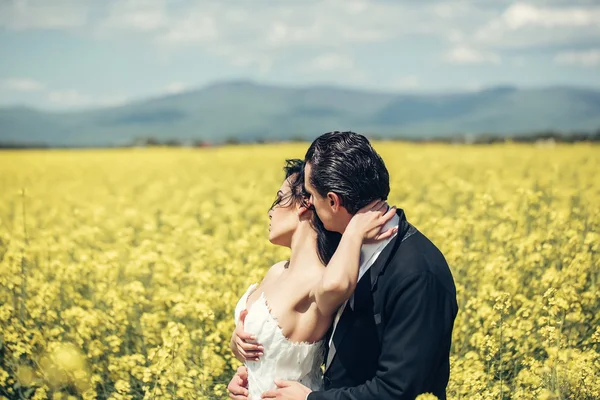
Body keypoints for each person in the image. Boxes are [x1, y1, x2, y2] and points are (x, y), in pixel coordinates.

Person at [228, 131, 458, 400]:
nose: (308, 204)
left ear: (334, 201)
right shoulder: (343, 251)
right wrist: (255, 370)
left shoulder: (417, 273)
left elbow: (399, 389)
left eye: (312, 195)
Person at [229, 158, 398, 400]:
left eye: (279, 199)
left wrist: (355, 231)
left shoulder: (322, 280)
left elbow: (335, 286)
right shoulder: (277, 271)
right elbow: (263, 354)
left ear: (304, 204)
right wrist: (239, 349)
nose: (270, 211)